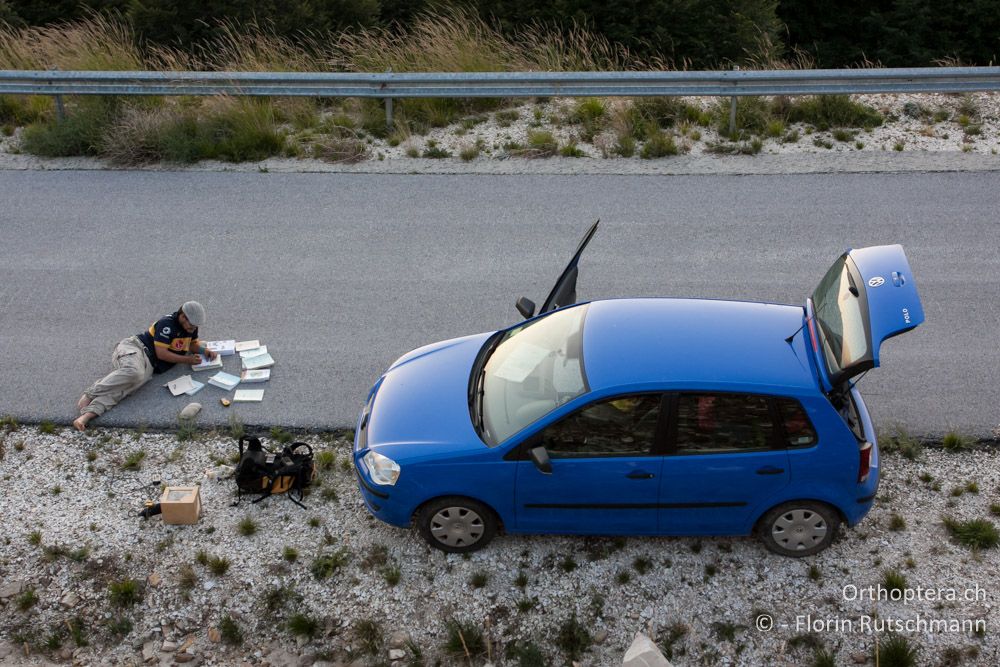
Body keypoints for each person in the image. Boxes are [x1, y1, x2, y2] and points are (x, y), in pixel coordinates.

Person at [73, 301, 218, 431]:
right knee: (134, 373)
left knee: (125, 389)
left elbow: (191, 343)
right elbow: (162, 354)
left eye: (195, 327)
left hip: (150, 364)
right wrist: (188, 360)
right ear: (183, 317)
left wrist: (204, 351)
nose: (193, 329)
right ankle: (91, 393)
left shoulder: (191, 328)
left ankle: (86, 416)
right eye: (191, 325)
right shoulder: (166, 324)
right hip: (137, 349)